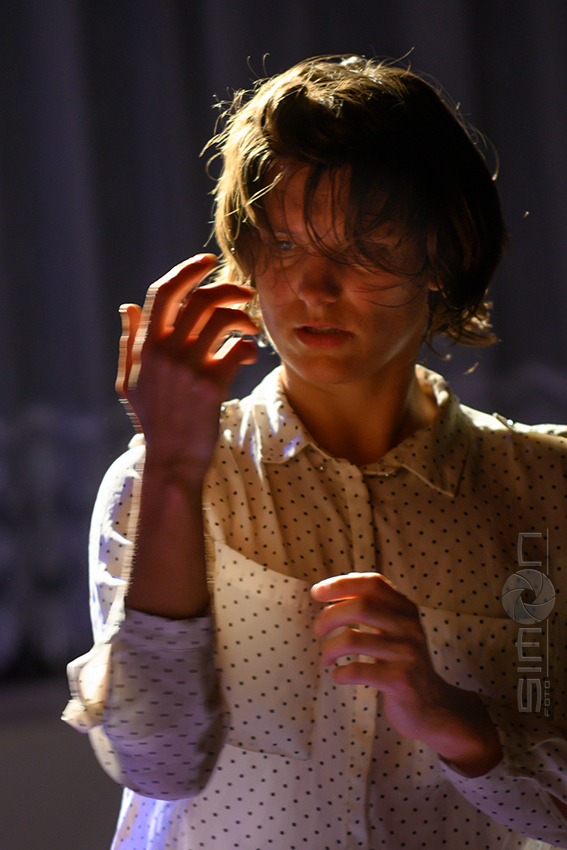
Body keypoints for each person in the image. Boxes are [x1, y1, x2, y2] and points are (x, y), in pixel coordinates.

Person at [63, 55, 567, 849]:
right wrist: (172, 473)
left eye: (364, 246)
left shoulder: (543, 493)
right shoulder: (167, 479)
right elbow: (156, 763)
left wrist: (457, 723)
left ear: (443, 253)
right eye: (284, 242)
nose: (313, 287)